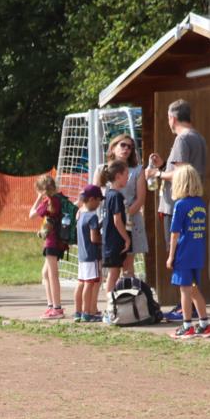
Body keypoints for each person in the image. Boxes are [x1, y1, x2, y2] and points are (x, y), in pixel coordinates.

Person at [144, 99, 207, 321]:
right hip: (192, 201)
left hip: (175, 205)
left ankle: (185, 308)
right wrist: (163, 165)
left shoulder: (182, 138)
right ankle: (193, 310)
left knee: (178, 257)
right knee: (188, 256)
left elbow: (180, 173)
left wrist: (157, 174)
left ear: (172, 118)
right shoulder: (198, 137)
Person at [167, 166, 210, 339]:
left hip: (183, 253)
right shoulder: (200, 203)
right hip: (197, 253)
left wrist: (171, 256)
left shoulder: (181, 205)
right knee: (193, 289)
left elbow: (175, 233)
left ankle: (187, 326)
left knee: (185, 291)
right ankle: (204, 324)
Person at [104, 134, 147, 278]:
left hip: (131, 222)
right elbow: (93, 194)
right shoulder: (102, 169)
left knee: (128, 266)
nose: (127, 149)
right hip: (110, 222)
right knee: (113, 268)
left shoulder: (137, 170)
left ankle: (128, 299)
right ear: (113, 147)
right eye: (123, 145)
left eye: (130, 147)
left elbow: (140, 199)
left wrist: (123, 218)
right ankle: (111, 298)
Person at [30, 173, 67, 319]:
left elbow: (31, 214)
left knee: (52, 275)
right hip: (58, 242)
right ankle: (51, 305)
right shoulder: (59, 199)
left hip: (52, 242)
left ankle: (57, 308)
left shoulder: (49, 202)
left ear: (42, 190)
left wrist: (39, 197)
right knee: (45, 274)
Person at [100, 161, 131, 322]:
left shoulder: (109, 194)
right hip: (114, 241)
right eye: (126, 174)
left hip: (110, 241)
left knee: (117, 272)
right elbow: (117, 220)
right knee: (113, 274)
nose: (128, 177)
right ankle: (110, 309)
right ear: (118, 176)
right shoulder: (116, 195)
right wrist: (126, 238)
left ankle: (114, 306)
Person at [74, 185, 103, 322]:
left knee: (81, 283)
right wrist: (101, 238)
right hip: (92, 255)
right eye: (98, 200)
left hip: (81, 255)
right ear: (92, 199)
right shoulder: (92, 216)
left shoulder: (79, 214)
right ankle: (88, 313)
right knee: (89, 283)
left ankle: (78, 311)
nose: (99, 204)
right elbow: (93, 238)